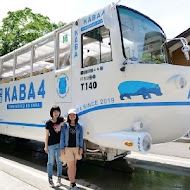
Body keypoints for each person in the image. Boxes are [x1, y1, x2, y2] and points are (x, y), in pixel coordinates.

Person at [60, 108, 83, 190]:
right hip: (68, 148)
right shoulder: (65, 126)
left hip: (76, 148)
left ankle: (73, 182)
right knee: (70, 166)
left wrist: (81, 147)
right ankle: (72, 184)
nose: (72, 116)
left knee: (74, 166)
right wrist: (62, 147)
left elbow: (80, 138)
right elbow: (62, 137)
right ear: (68, 116)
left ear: (76, 116)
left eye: (74, 114)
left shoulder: (79, 127)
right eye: (70, 115)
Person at [44, 105, 65, 187]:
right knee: (50, 162)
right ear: (51, 113)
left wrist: (60, 125)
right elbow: (46, 135)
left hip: (59, 144)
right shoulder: (48, 123)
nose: (56, 113)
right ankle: (50, 179)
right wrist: (46, 146)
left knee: (59, 162)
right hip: (51, 145)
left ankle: (59, 179)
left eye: (57, 111)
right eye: (54, 112)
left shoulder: (60, 119)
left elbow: (67, 120)